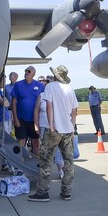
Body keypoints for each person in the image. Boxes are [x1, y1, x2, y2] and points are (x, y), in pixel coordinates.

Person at [28, 64, 78, 202]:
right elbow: (74, 111)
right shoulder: (70, 89)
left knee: (45, 160)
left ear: (55, 75)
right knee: (68, 162)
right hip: (68, 130)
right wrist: (72, 127)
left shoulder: (50, 87)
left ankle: (42, 192)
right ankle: (66, 192)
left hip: (54, 130)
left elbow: (49, 106)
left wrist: (51, 125)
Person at [11, 66, 44, 158]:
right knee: (21, 143)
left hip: (35, 121)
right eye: (25, 71)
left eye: (29, 71)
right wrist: (15, 119)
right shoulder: (18, 85)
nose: (26, 72)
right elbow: (13, 102)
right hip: (21, 119)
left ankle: (36, 164)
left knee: (36, 143)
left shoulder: (40, 86)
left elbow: (43, 102)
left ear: (33, 74)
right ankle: (20, 166)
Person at [34, 86, 64, 178]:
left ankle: (61, 170)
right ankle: (44, 171)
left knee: (58, 149)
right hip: (44, 126)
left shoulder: (58, 96)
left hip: (57, 127)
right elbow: (36, 110)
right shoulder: (41, 96)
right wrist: (36, 125)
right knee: (44, 150)